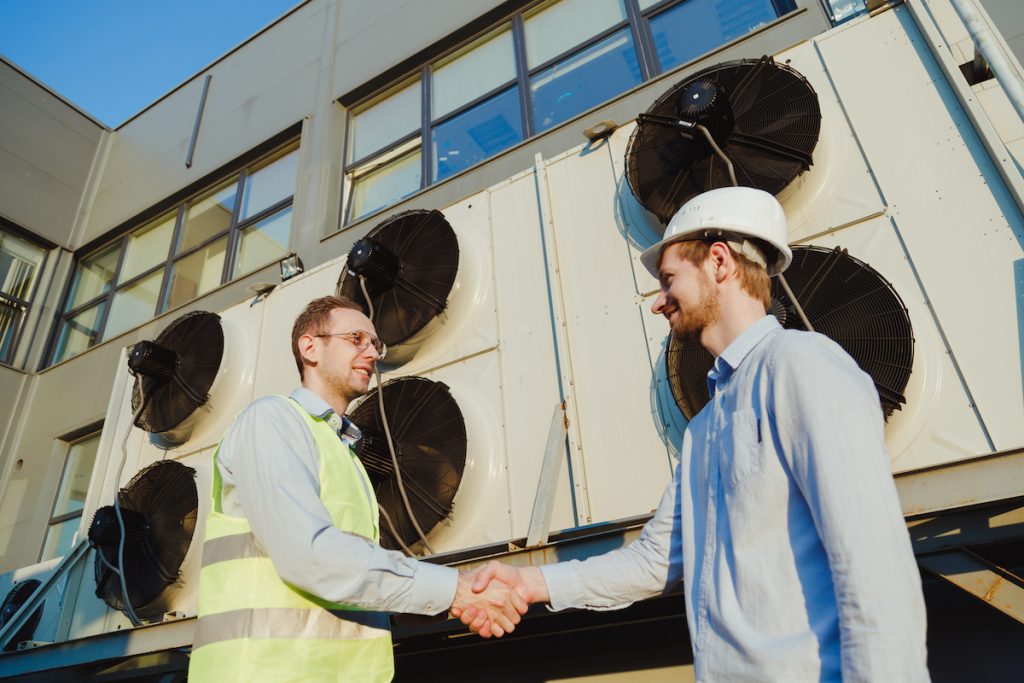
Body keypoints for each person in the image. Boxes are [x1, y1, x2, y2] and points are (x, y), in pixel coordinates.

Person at [458, 187, 930, 682]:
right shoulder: (705, 425)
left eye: (668, 280)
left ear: (719, 262)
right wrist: (530, 582)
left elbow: (874, 564)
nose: (659, 302)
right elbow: (653, 561)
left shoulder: (802, 365)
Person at [188, 295, 525, 683]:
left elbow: (351, 581)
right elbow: (311, 556)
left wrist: (440, 600)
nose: (372, 352)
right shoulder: (271, 421)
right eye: (356, 339)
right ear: (310, 347)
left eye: (375, 343)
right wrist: (455, 589)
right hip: (267, 672)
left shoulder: (344, 454)